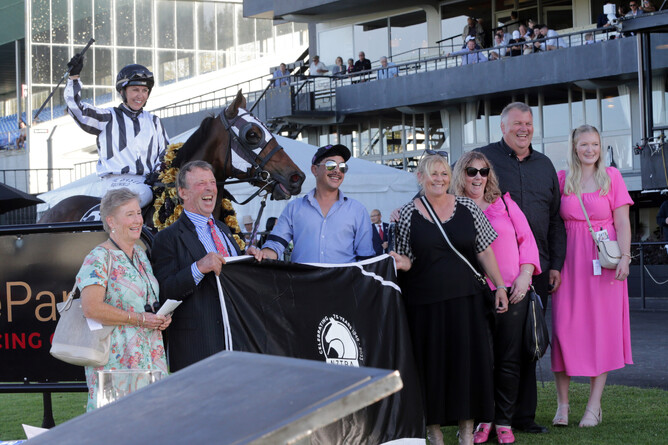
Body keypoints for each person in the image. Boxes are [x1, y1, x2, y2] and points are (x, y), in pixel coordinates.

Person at [389, 152, 508, 445]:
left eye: (444, 173)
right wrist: (400, 262)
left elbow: (484, 251)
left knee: (467, 366)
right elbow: (406, 258)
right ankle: (434, 431)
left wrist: (501, 286)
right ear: (421, 178)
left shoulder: (468, 207)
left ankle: (467, 431)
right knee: (430, 368)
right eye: (433, 173)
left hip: (467, 301)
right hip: (424, 305)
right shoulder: (406, 213)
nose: (439, 179)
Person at [476, 102, 566, 435]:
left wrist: (555, 264)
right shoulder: (483, 160)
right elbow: (444, 187)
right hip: (488, 274)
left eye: (528, 123)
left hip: (535, 269)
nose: (523, 128)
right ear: (503, 127)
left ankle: (522, 417)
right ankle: (489, 416)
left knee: (528, 345)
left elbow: (556, 220)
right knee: (490, 348)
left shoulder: (545, 165)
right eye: (517, 123)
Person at [451, 152, 541, 445]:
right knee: (479, 361)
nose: (478, 177)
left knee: (509, 360)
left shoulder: (505, 203)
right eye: (471, 171)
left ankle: (504, 420)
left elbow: (527, 240)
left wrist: (526, 276)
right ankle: (483, 419)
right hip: (471, 294)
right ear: (461, 174)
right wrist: (397, 213)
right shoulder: (451, 208)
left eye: (483, 171)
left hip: (513, 291)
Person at [551, 125, 633, 428]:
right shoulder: (562, 179)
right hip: (569, 263)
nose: (590, 149)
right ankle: (563, 405)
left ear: (601, 147)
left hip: (604, 262)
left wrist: (625, 257)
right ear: (574, 147)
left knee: (601, 332)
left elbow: (622, 221)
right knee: (563, 330)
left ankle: (594, 406)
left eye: (595, 144)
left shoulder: (611, 177)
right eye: (584, 144)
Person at [151, 161, 262, 372]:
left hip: (237, 339)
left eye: (212, 182)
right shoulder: (168, 238)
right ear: (183, 192)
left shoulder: (223, 229)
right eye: (201, 183)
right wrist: (198, 268)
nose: (210, 188)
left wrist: (246, 260)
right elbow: (165, 292)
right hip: (198, 347)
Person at [76, 188, 170, 411]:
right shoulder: (98, 257)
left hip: (150, 356)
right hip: (115, 362)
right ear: (111, 221)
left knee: (153, 423)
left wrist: (161, 318)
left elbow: (144, 301)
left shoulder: (140, 255)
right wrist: (138, 319)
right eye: (129, 214)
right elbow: (90, 308)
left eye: (138, 213)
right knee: (114, 427)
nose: (138, 220)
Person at [64, 56, 169, 208]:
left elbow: (165, 155)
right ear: (122, 91)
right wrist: (74, 78)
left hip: (148, 182)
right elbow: (77, 109)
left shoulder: (154, 121)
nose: (140, 95)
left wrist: (158, 173)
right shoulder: (107, 116)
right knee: (144, 192)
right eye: (135, 90)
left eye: (144, 90)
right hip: (116, 182)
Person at [259, 144, 375, 263]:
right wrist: (261, 255)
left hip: (344, 281)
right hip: (304, 281)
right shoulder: (294, 208)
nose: (337, 171)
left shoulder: (358, 210)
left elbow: (366, 258)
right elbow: (275, 244)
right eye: (331, 165)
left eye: (342, 167)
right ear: (315, 170)